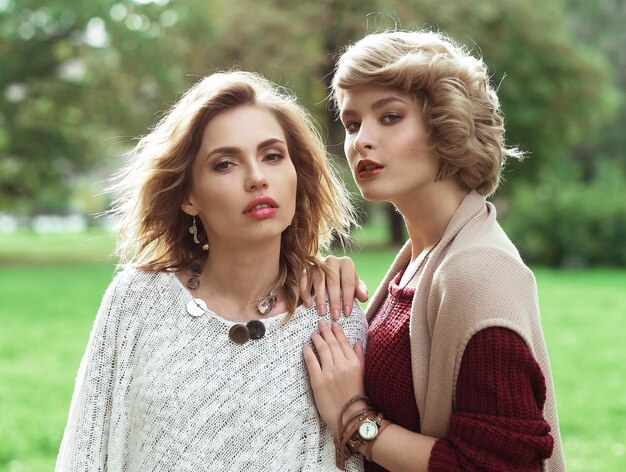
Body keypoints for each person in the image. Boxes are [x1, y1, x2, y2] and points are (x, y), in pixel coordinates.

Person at [56, 71, 367, 471]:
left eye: (272, 156)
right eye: (225, 164)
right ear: (188, 196)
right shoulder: (136, 300)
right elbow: (84, 451)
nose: (257, 178)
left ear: (297, 175)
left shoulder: (335, 318)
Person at [303, 30, 566, 471]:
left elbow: (497, 466)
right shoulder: (421, 260)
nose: (361, 141)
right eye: (352, 124)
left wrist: (356, 418)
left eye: (389, 117)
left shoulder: (478, 271)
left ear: (446, 123)